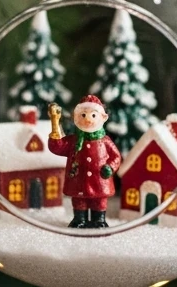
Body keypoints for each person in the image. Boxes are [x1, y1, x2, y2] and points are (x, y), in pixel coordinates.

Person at [47, 95, 121, 229]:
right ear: (76, 118)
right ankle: (79, 219)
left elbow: (116, 157)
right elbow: (57, 147)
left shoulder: (105, 141)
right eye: (83, 115)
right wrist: (54, 124)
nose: (88, 120)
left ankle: (99, 220)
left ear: (103, 118)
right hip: (79, 181)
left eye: (93, 115)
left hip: (100, 181)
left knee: (99, 201)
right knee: (79, 200)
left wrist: (110, 167)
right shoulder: (73, 141)